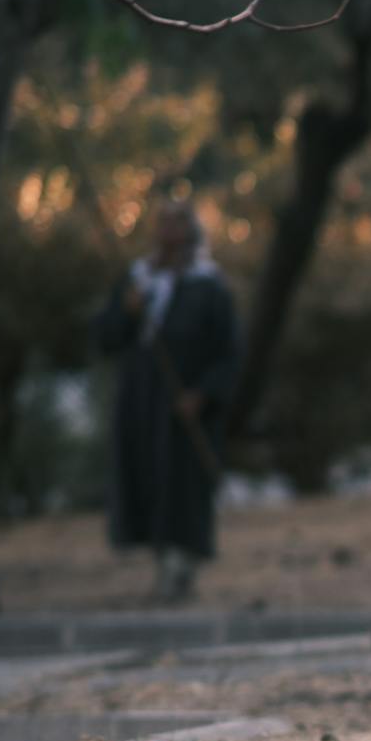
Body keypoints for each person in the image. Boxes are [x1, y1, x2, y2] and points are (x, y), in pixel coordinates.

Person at [94, 199, 241, 602]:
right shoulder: (136, 280)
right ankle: (161, 562)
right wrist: (127, 312)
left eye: (179, 226)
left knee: (183, 482)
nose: (170, 234)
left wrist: (204, 393)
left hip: (186, 403)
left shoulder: (210, 287)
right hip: (142, 399)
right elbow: (106, 337)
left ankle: (182, 566)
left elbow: (229, 354)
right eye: (164, 225)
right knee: (147, 477)